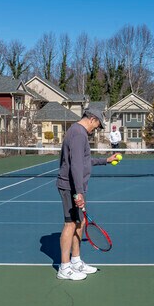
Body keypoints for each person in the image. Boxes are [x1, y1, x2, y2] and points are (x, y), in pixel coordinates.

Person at [56, 108, 119, 281]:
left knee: (80, 222)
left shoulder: (78, 133)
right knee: (70, 225)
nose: (96, 129)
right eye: (98, 125)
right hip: (70, 187)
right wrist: (79, 193)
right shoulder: (78, 134)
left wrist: (105, 160)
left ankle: (76, 261)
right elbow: (75, 166)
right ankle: (64, 267)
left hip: (75, 187)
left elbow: (84, 161)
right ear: (92, 119)